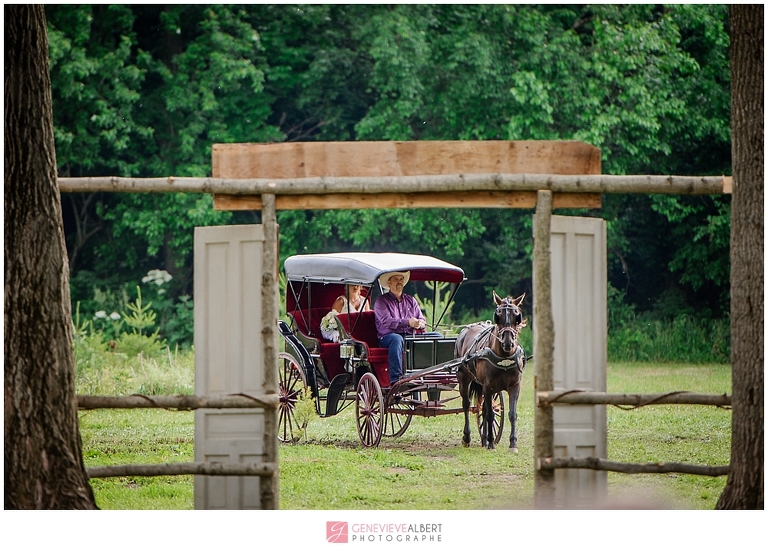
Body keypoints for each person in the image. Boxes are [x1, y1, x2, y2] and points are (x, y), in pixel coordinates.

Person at [374, 271, 426, 385]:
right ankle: (396, 379)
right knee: (397, 339)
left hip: (410, 336)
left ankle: (434, 372)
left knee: (437, 336)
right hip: (387, 337)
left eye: (401, 279)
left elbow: (422, 319)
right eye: (396, 279)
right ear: (389, 282)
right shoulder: (381, 301)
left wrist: (420, 323)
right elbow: (386, 322)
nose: (399, 282)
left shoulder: (411, 300)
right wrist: (408, 322)